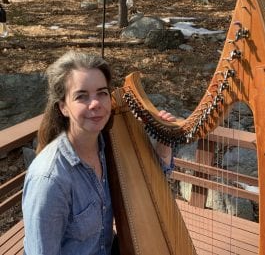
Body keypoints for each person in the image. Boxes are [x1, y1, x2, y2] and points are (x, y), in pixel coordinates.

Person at [22, 50, 176, 255]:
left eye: (102, 93)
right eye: (81, 96)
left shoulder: (108, 145)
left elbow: (152, 185)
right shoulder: (50, 180)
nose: (95, 104)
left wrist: (163, 146)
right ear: (63, 107)